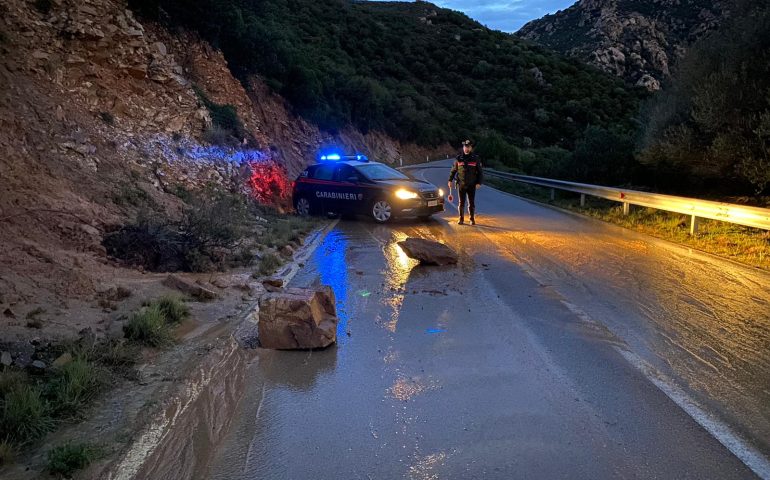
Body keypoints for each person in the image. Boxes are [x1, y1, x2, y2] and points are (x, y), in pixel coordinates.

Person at [448, 139, 483, 225]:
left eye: (468, 147)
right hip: (461, 185)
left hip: (472, 184)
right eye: (465, 147)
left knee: (471, 203)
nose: (466, 148)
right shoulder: (459, 158)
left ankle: (472, 219)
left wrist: (479, 183)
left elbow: (480, 172)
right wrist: (450, 180)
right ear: (463, 148)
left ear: (471, 148)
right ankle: (461, 219)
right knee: (461, 203)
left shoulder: (475, 159)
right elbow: (453, 170)